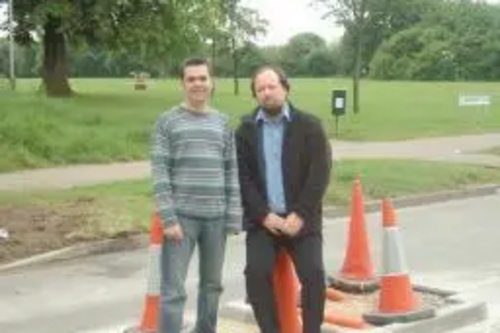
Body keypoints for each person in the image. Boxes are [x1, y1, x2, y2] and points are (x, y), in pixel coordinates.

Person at [236, 66, 332, 333]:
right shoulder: (245, 130)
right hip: (264, 221)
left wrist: (299, 214)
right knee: (255, 274)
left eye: (272, 86)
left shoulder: (310, 126)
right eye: (260, 89)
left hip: (302, 220)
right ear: (255, 95)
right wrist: (264, 215)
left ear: (285, 88)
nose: (267, 93)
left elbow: (319, 174)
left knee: (314, 276)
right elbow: (244, 180)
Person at [150, 57, 242, 333]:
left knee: (212, 286)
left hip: (216, 218)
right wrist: (168, 218)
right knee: (173, 291)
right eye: (191, 79)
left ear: (211, 82)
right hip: (182, 220)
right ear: (182, 84)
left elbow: (231, 170)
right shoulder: (166, 122)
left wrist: (233, 216)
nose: (198, 84)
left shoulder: (223, 123)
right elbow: (160, 172)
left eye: (203, 78)